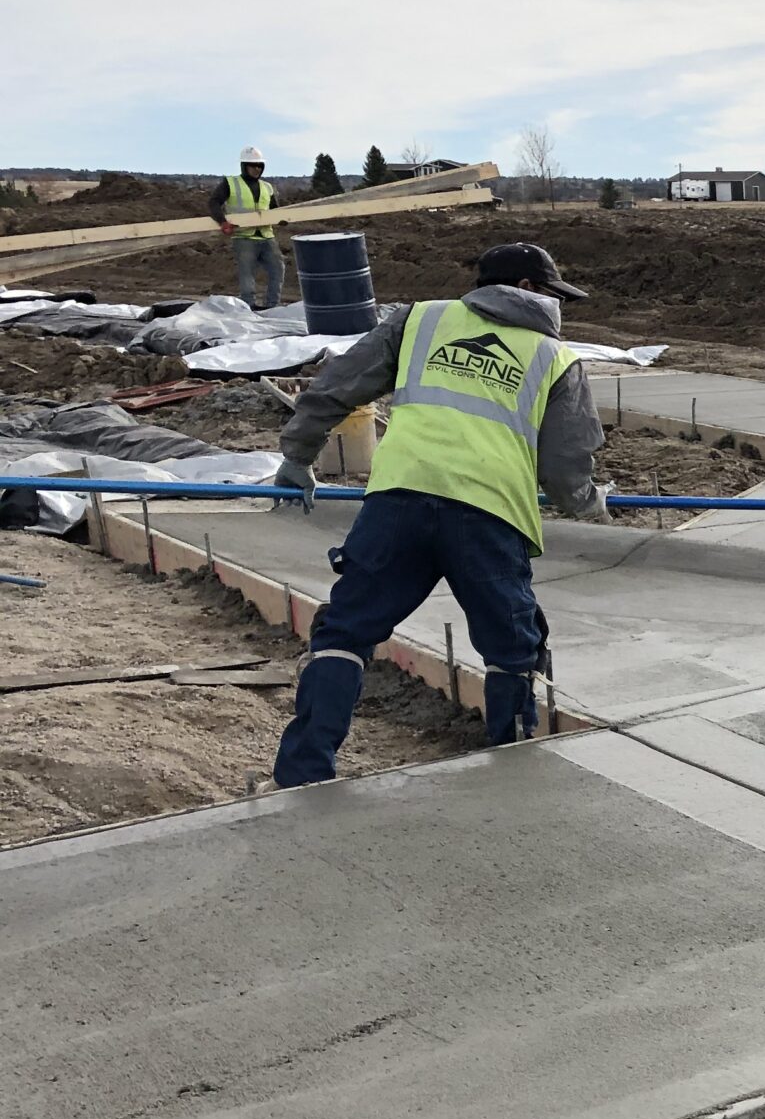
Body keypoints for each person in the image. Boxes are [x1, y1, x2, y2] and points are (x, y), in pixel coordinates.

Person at [270, 242, 613, 787]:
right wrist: (589, 500)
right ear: (526, 288)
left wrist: (296, 458)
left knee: (344, 633)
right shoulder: (556, 358)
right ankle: (513, 770)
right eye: (552, 293)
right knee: (512, 647)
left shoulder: (419, 321)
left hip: (398, 501)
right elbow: (567, 464)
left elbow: (336, 387)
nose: (557, 305)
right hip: (490, 512)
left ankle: (303, 775)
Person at [209, 146, 285, 309]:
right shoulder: (231, 183)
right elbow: (214, 202)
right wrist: (223, 222)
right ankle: (249, 306)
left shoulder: (267, 187)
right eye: (253, 165)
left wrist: (281, 219)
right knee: (247, 274)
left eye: (259, 166)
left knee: (278, 269)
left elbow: (274, 210)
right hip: (244, 237)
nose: (257, 169)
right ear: (244, 166)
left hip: (266, 235)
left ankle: (273, 305)